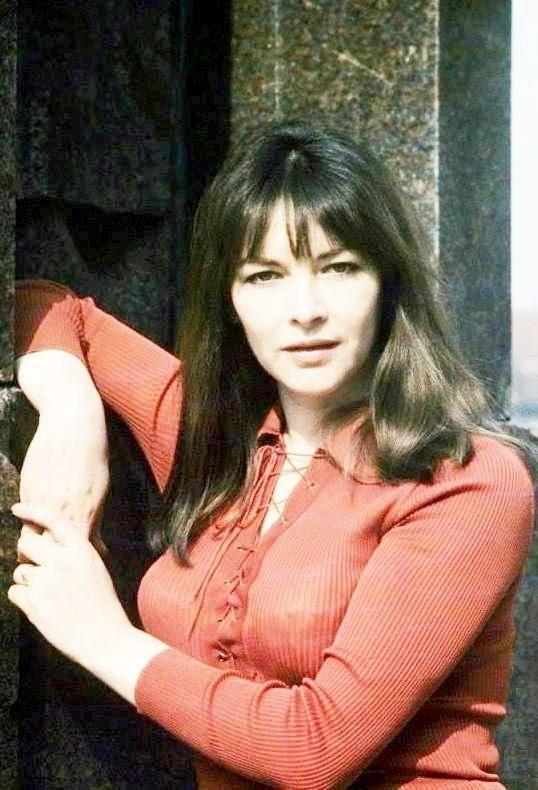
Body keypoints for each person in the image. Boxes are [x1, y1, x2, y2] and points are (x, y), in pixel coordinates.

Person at [10, 122, 535, 789]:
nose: (304, 310)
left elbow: (313, 750)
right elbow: (43, 306)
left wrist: (103, 635)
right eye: (264, 276)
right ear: (229, 300)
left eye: (339, 268)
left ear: (387, 282)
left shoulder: (466, 479)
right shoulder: (214, 438)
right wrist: (71, 411)